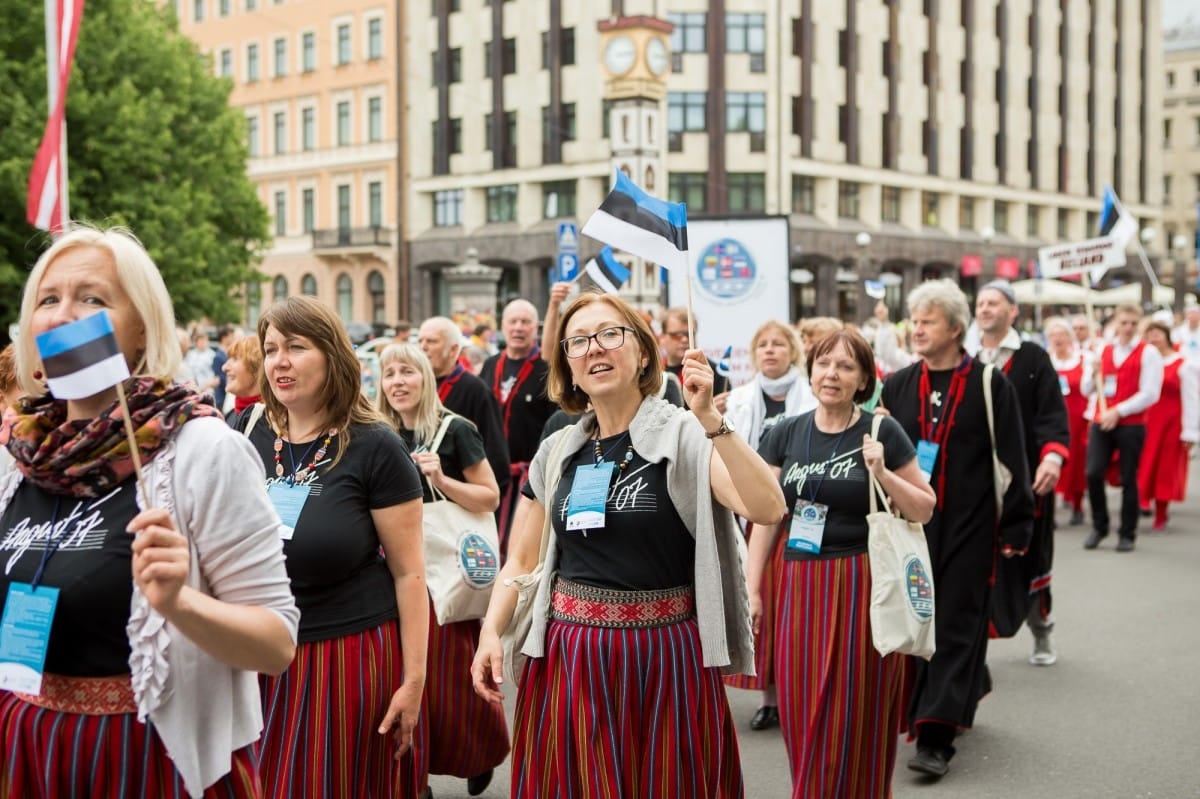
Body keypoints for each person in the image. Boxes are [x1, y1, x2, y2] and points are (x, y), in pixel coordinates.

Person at [0, 225, 299, 797]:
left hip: (149, 760)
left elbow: (276, 644)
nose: (63, 316)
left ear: (141, 328)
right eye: (47, 299)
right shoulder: (17, 455)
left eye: (92, 298)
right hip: (27, 752)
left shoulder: (202, 451)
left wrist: (179, 603)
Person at [470, 291, 785, 798]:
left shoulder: (684, 434)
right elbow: (522, 559)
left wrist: (711, 421)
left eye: (610, 334)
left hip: (664, 657)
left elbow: (767, 508)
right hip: (569, 657)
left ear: (642, 353)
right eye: (579, 341)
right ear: (568, 367)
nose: (595, 348)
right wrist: (491, 632)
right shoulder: (558, 450)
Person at [246, 296, 429, 798]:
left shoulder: (376, 446)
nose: (279, 361)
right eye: (271, 349)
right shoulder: (249, 434)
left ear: (332, 355)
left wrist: (414, 684)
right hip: (260, 655)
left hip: (344, 662)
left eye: (296, 347)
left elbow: (411, 575)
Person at [747, 329, 934, 798]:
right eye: (825, 363)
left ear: (864, 379)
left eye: (846, 366)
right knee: (799, 705)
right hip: (797, 582)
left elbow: (924, 507)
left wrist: (883, 473)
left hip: (860, 582)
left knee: (855, 710)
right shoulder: (785, 432)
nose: (832, 374)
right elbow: (767, 519)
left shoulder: (881, 431)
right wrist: (751, 589)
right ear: (810, 370)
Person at [880, 279, 1033, 778]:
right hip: (912, 526)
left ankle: (936, 734)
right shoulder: (900, 384)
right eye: (914, 320)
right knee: (920, 619)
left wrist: (1017, 526)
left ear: (955, 328)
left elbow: (1012, 460)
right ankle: (968, 682)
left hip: (971, 527)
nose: (917, 329)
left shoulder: (991, 384)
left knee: (957, 621)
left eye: (928, 321)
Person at [376, 342, 509, 798]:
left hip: (444, 575)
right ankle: (419, 776)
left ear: (425, 379)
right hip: (391, 571)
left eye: (406, 372)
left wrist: (441, 480)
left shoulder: (456, 430)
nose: (397, 381)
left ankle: (480, 750)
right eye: (389, 373)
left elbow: (490, 496)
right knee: (407, 679)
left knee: (452, 679)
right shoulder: (375, 432)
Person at [723, 318, 815, 730]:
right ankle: (770, 697)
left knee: (790, 607)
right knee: (757, 602)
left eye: (779, 344)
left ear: (793, 352)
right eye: (764, 345)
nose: (771, 351)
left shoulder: (812, 398)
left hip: (800, 514)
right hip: (747, 515)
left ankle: (801, 689)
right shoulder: (736, 400)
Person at [972, 281, 1070, 665]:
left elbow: (1052, 414)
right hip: (977, 483)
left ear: (1013, 311)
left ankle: (1041, 630)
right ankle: (972, 644)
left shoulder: (1033, 358)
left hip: (1027, 481)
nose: (984, 309)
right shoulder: (968, 357)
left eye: (993, 302)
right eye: (980, 303)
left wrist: (1053, 457)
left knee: (1031, 559)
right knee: (973, 562)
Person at [1082, 303, 1163, 553]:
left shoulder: (1148, 353)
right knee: (1093, 472)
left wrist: (1119, 411)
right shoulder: (1102, 351)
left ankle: (1127, 532)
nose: (1128, 328)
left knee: (1129, 477)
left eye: (1133, 323)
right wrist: (1092, 373)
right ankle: (1100, 525)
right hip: (1101, 419)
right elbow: (1087, 390)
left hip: (1130, 424)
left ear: (1139, 324)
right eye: (1124, 322)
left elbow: (1150, 393)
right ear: (1115, 322)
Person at [479, 299, 559, 552]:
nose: (518, 328)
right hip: (492, 474)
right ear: (503, 326)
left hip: (528, 476)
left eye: (525, 322)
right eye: (513, 322)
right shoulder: (491, 364)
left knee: (520, 547)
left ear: (536, 327)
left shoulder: (545, 369)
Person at [418, 316, 510, 505]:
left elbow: (495, 451)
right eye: (420, 341)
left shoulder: (475, 390)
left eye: (432, 341)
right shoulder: (416, 386)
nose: (423, 347)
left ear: (453, 349)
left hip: (461, 502)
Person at [1136, 319, 1198, 530]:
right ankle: (1142, 500)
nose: (1154, 339)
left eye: (1157, 334)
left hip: (1172, 423)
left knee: (1166, 467)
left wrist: (1190, 431)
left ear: (1166, 336)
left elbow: (1191, 398)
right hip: (1147, 421)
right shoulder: (1143, 361)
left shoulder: (1183, 364)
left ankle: (1161, 512)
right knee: (1143, 462)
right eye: (1150, 335)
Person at [1045, 317, 1091, 527]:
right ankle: (1050, 510)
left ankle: (1078, 505)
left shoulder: (1083, 359)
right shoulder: (1045, 361)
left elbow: (1086, 389)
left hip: (1077, 418)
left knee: (1077, 462)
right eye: (1053, 335)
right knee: (1052, 460)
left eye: (1061, 334)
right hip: (1053, 418)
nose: (1057, 339)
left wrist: (1096, 371)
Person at [659, 307, 730, 411]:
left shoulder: (711, 372)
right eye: (677, 335)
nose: (684, 339)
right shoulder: (653, 371)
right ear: (662, 338)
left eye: (690, 334)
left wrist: (712, 412)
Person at [221, 334, 264, 424]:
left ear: (257, 367)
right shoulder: (230, 416)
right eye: (228, 359)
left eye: (235, 359)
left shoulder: (272, 422)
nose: (224, 367)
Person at [1171, 295, 1200, 367]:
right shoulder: (1178, 331)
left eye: (1195, 314)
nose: (1193, 316)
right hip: (1184, 365)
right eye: (1190, 314)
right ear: (1186, 315)